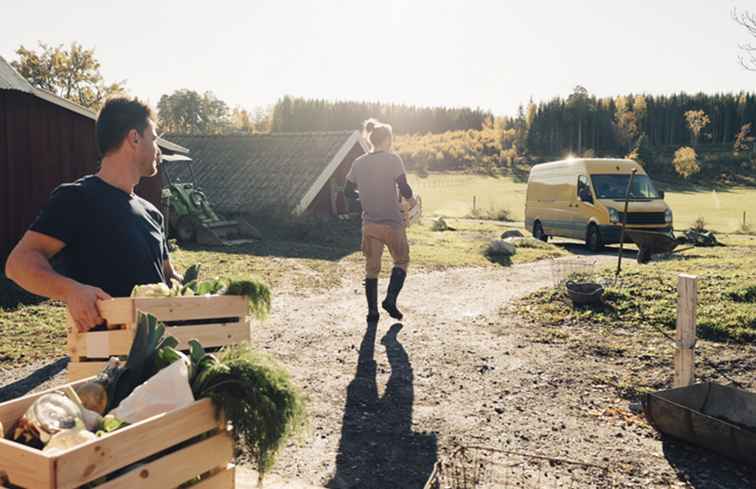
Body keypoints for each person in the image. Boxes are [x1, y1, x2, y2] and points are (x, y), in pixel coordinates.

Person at [5, 96, 181, 332]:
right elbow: (18, 264)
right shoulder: (77, 198)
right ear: (134, 138)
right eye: (154, 139)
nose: (158, 150)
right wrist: (71, 291)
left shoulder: (152, 213)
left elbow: (168, 277)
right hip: (107, 361)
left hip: (163, 354)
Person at [344, 119, 416, 322]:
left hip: (370, 224)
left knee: (371, 269)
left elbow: (348, 192)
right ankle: (390, 300)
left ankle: (372, 313)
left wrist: (364, 198)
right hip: (393, 222)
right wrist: (412, 203)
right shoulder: (393, 160)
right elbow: (404, 187)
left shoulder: (358, 162)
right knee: (401, 261)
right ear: (386, 139)